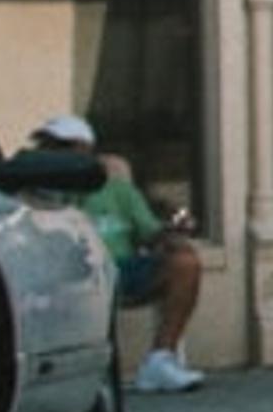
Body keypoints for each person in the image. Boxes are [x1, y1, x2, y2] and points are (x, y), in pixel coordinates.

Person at [37, 113, 205, 392]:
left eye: (59, 147)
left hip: (120, 270)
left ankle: (160, 361)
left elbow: (151, 234)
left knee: (184, 262)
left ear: (83, 150)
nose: (51, 154)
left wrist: (171, 236)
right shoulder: (38, 191)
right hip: (68, 275)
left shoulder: (118, 191)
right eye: (48, 147)